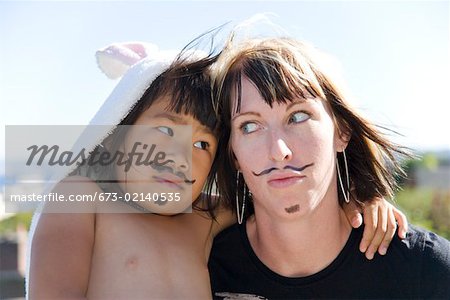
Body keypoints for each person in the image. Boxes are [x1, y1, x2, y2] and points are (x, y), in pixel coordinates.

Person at [27, 40, 408, 299]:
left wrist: (357, 201)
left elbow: (285, 199)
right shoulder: (85, 199)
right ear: (117, 131)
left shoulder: (204, 219)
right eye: (164, 130)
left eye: (202, 144)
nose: (179, 155)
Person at [208, 36, 450, 299]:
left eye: (298, 117)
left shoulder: (426, 270)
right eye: (250, 126)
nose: (279, 151)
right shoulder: (203, 268)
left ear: (342, 131)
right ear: (233, 154)